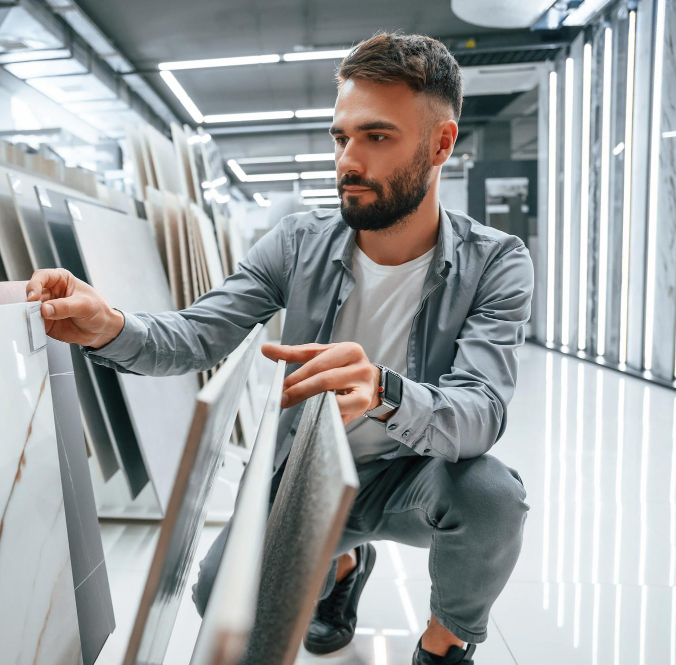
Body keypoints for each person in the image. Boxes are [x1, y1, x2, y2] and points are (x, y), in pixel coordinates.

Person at [26, 31, 532, 665]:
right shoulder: (295, 244)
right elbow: (196, 334)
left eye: (376, 137)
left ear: (441, 143)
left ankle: (444, 642)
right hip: (308, 476)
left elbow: (480, 411)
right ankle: (345, 564)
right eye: (341, 137)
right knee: (223, 598)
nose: (348, 160)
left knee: (492, 498)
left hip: (416, 476)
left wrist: (384, 391)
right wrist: (110, 326)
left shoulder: (497, 262)